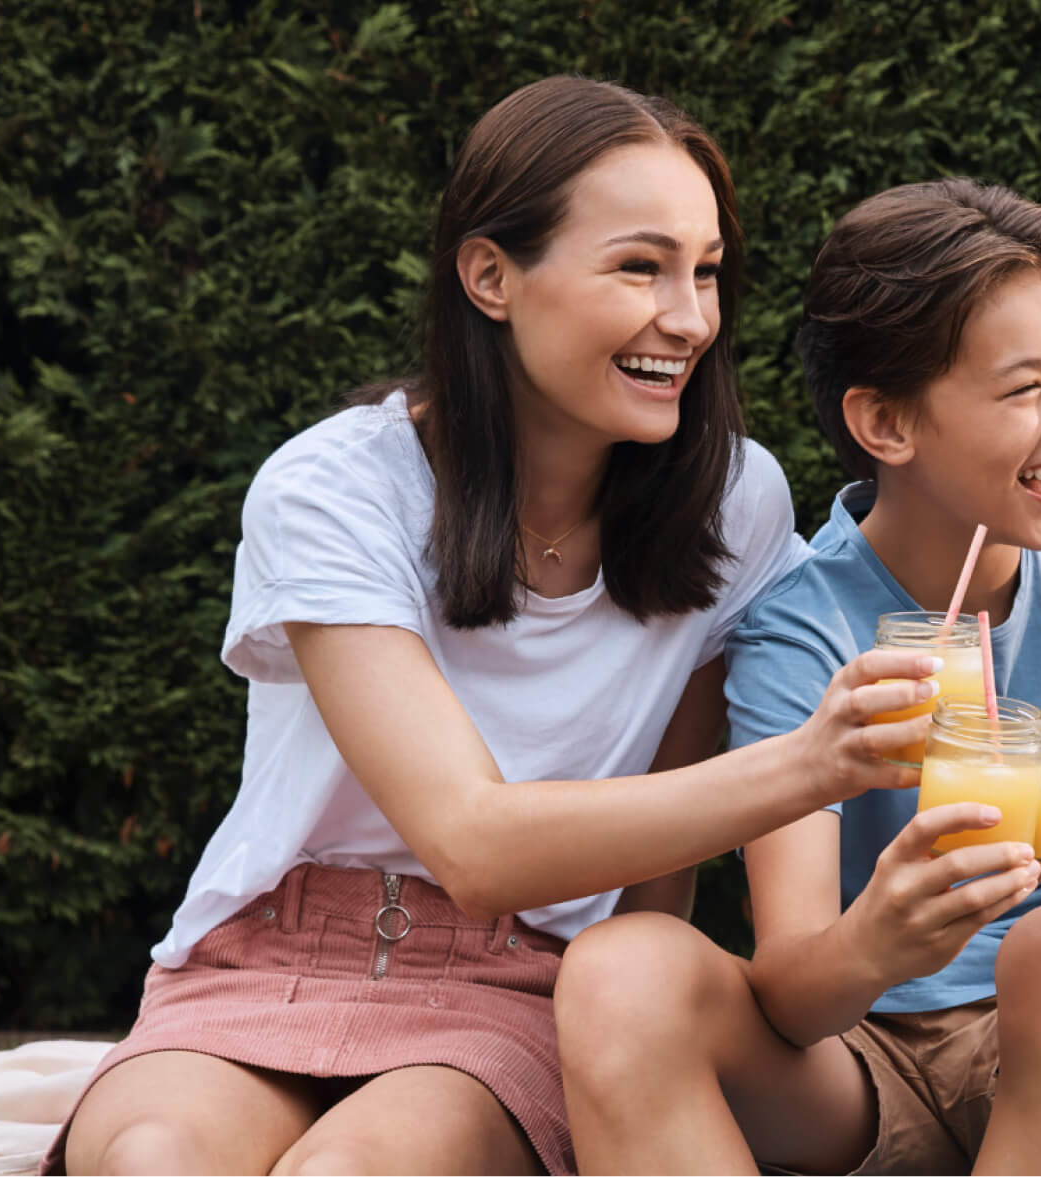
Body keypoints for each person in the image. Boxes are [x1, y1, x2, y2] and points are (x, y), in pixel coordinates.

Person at [51, 75, 944, 1176]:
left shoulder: (733, 502)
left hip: (517, 982)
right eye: (639, 265)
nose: (690, 317)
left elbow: (655, 853)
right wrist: (814, 763)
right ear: (489, 276)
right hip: (270, 950)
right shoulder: (335, 486)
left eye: (706, 271)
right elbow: (470, 839)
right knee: (154, 1159)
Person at [555, 178, 1041, 1175]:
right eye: (1023, 388)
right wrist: (879, 936)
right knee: (620, 964)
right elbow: (792, 987)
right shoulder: (804, 625)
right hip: (866, 1062)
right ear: (886, 423)